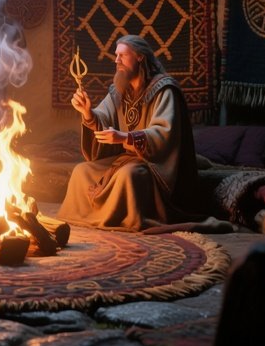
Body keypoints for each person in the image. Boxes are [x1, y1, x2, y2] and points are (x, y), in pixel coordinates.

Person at [57, 34, 200, 231]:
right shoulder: (119, 89)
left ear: (140, 57)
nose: (117, 61)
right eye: (116, 56)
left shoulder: (163, 90)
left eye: (122, 56)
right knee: (81, 171)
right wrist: (87, 113)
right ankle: (93, 217)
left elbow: (163, 133)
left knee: (128, 176)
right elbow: (103, 117)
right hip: (125, 158)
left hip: (153, 164)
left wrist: (125, 137)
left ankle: (119, 219)